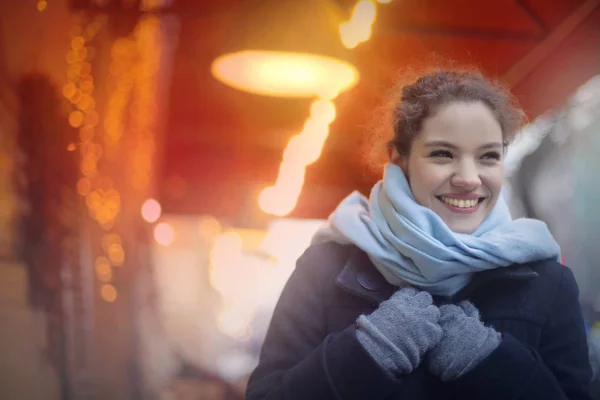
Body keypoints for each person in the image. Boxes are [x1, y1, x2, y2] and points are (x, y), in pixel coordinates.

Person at [245, 69, 593, 399]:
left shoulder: (546, 280)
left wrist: (493, 363)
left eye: (488, 156)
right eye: (443, 154)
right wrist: (369, 349)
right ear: (400, 159)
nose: (469, 178)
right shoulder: (325, 267)